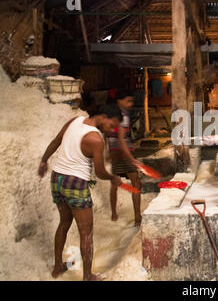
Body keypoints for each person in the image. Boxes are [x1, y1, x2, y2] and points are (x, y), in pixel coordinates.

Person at [38, 104, 123, 281]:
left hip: (57, 179)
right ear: (103, 116)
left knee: (64, 222)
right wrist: (113, 178)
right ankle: (87, 276)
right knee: (86, 231)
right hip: (75, 183)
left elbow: (55, 141)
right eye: (111, 124)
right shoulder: (96, 139)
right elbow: (99, 172)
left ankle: (57, 268)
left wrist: (44, 161)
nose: (111, 129)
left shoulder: (74, 121)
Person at [106, 89, 142, 227]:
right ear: (119, 101)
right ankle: (138, 218)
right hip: (123, 153)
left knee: (115, 183)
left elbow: (108, 136)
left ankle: (114, 214)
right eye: (128, 101)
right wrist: (131, 158)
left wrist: (108, 152)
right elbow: (121, 139)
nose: (130, 104)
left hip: (116, 153)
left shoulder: (112, 113)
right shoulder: (122, 116)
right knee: (136, 184)